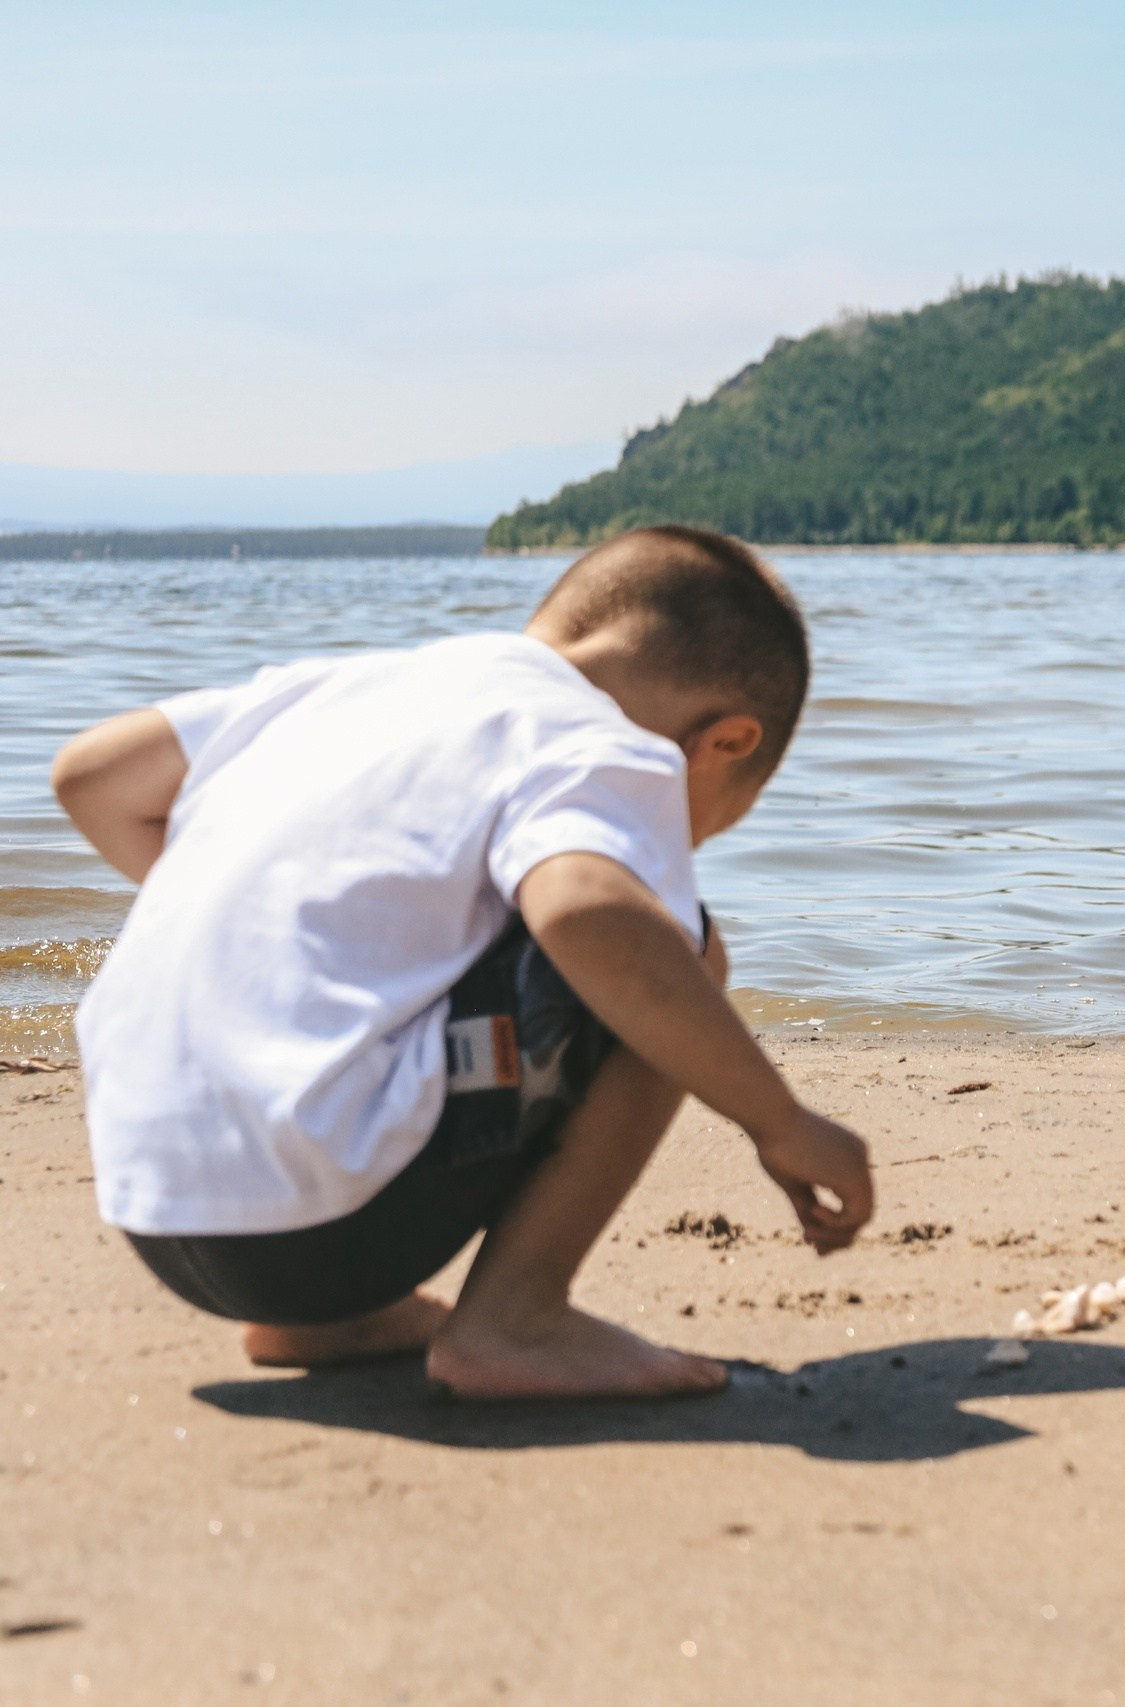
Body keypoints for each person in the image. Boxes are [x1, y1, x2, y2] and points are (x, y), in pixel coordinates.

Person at [52, 525, 874, 1401]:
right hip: (328, 1228)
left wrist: (282, 922)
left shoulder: (347, 687)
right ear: (724, 742)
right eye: (700, 826)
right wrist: (776, 1119)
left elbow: (89, 774)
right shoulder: (606, 739)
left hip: (155, 1202)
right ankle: (515, 1318)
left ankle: (326, 1323)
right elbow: (589, 910)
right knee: (678, 950)